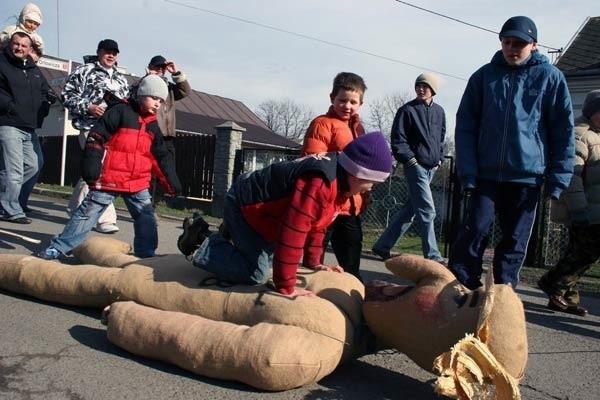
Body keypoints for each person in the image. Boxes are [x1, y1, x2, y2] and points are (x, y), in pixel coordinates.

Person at [178, 132, 392, 297]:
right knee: (256, 273)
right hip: (245, 204)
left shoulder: (340, 186)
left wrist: (314, 262)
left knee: (272, 259)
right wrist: (286, 286)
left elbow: (318, 225)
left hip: (267, 214)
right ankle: (201, 240)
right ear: (357, 173)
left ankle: (233, 235)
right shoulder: (320, 184)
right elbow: (294, 232)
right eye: (372, 181)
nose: (371, 188)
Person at [448, 15, 575, 290]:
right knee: (474, 230)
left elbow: (563, 130)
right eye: (507, 42)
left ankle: (503, 292)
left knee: (515, 240)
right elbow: (466, 125)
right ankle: (461, 286)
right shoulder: (483, 77)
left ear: (534, 45)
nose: (512, 48)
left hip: (527, 177)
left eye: (519, 43)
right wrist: (468, 171)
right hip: (486, 174)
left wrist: (558, 177)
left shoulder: (550, 78)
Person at [37, 75, 181, 260]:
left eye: (161, 101)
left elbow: (161, 156)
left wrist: (171, 183)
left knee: (146, 218)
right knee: (86, 214)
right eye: (154, 98)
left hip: (137, 182)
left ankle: (146, 253)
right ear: (142, 93)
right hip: (109, 178)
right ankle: (59, 247)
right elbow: (96, 138)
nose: (157, 104)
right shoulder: (119, 111)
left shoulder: (152, 125)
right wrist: (92, 167)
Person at [537, 89, 600, 317]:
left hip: (594, 207)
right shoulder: (580, 135)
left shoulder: (597, 134)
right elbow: (572, 175)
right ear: (592, 112)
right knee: (587, 252)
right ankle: (553, 281)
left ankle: (566, 299)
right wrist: (579, 208)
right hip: (582, 208)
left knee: (577, 251)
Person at [372, 73, 447, 263]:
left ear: (433, 90)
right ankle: (433, 255)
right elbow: (398, 139)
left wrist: (439, 159)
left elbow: (440, 138)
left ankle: (382, 246)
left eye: (425, 86)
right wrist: (410, 160)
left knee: (410, 210)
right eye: (418, 85)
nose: (421, 89)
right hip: (415, 168)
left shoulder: (439, 112)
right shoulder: (407, 111)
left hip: (431, 168)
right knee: (427, 210)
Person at [300, 72, 368, 280]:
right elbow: (314, 160)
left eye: (353, 102)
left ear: (360, 104)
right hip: (326, 204)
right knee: (314, 260)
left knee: (351, 264)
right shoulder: (323, 124)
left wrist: (365, 194)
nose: (347, 106)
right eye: (342, 100)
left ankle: (353, 302)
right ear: (332, 98)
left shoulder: (359, 130)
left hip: (350, 208)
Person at [62, 39, 129, 234]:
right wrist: (89, 107)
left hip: (113, 131)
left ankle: (75, 206)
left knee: (95, 170)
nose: (111, 56)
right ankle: (105, 219)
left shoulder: (120, 78)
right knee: (100, 169)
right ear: (99, 52)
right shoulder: (84, 71)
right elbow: (67, 96)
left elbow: (126, 104)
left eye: (114, 53)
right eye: (107, 52)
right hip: (89, 127)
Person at [0, 31, 54, 224]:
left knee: (32, 165)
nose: (19, 48)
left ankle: (7, 200)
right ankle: (10, 209)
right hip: (9, 124)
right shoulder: (2, 63)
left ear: (29, 49)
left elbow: (44, 90)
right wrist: (11, 107)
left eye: (24, 46)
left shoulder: (32, 68)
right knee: (13, 171)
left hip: (29, 126)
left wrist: (48, 100)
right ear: (10, 44)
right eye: (16, 44)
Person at [141, 55, 192, 202]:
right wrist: (148, 77)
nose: (160, 70)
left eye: (162, 68)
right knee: (149, 172)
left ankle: (154, 204)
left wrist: (175, 73)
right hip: (149, 134)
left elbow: (185, 91)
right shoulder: (144, 84)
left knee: (165, 171)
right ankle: (145, 204)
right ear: (150, 67)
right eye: (157, 67)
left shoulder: (168, 87)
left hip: (167, 136)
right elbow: (135, 96)